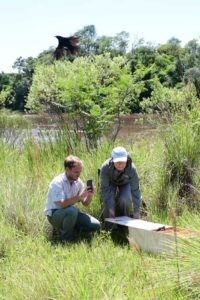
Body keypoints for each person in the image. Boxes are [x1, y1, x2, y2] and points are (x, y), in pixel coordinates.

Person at [44, 155, 100, 243]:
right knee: (72, 211)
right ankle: (66, 239)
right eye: (76, 172)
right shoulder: (57, 182)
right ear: (67, 169)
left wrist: (89, 195)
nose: (79, 174)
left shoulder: (78, 182)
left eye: (80, 172)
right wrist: (79, 197)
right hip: (55, 215)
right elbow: (61, 204)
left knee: (95, 225)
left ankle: (73, 231)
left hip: (70, 214)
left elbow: (85, 203)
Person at [100, 146, 141, 220]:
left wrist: (137, 212)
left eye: (123, 161)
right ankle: (110, 226)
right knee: (109, 201)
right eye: (117, 162)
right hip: (110, 182)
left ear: (126, 160)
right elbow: (105, 189)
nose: (120, 164)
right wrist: (111, 209)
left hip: (125, 183)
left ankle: (125, 222)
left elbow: (135, 190)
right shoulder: (105, 167)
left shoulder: (132, 169)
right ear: (112, 160)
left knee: (125, 198)